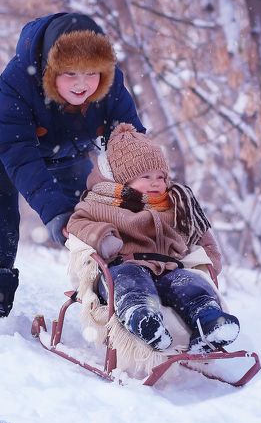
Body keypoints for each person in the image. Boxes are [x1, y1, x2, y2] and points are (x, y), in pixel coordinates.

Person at [0, 13, 144, 322]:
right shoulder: (14, 87)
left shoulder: (111, 85)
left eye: (90, 74)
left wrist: (144, 193)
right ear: (50, 69)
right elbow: (22, 159)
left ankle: (121, 288)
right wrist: (56, 214)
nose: (82, 85)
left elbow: (130, 144)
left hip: (66, 143)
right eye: (70, 73)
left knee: (91, 210)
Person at [67, 124, 240, 353]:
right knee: (131, 283)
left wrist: (210, 257)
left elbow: (200, 232)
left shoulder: (177, 204)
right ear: (122, 181)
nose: (156, 182)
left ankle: (209, 321)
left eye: (160, 176)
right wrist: (103, 237)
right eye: (145, 176)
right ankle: (144, 320)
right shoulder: (102, 204)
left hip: (169, 269)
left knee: (191, 285)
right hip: (125, 265)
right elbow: (77, 223)